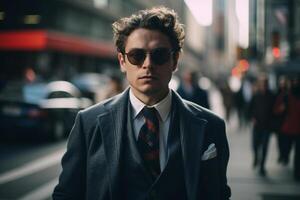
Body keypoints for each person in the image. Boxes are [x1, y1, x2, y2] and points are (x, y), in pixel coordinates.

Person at [53, 6, 231, 200]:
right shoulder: (88, 123)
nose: (148, 64)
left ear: (175, 60)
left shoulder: (211, 126)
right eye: (137, 56)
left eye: (159, 55)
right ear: (122, 61)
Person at [249, 75, 275, 176]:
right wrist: (252, 118)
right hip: (257, 125)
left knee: (264, 147)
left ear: (267, 85)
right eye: (262, 84)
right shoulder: (256, 95)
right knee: (255, 145)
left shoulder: (272, 96)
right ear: (260, 85)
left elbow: (275, 110)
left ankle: (262, 167)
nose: (264, 86)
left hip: (267, 126)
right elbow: (250, 109)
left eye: (265, 84)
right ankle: (256, 157)